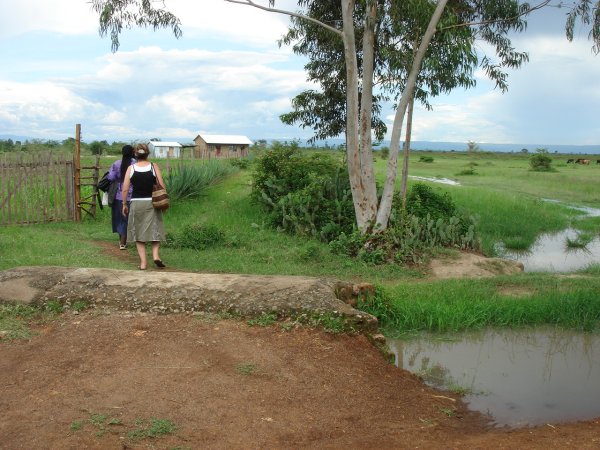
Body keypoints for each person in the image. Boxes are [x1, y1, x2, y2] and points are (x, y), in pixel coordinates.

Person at [121, 143, 167, 270]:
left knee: (138, 232)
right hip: (152, 202)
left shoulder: (131, 168)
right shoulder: (154, 166)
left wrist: (124, 204)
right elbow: (161, 184)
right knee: (155, 229)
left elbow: (125, 189)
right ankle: (156, 256)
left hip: (136, 203)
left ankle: (143, 263)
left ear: (135, 155)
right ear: (147, 154)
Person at [107, 145, 135, 250]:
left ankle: (122, 241)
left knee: (119, 218)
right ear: (133, 152)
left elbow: (111, 177)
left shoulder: (117, 163)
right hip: (132, 195)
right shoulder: (135, 164)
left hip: (118, 195)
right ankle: (123, 242)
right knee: (127, 219)